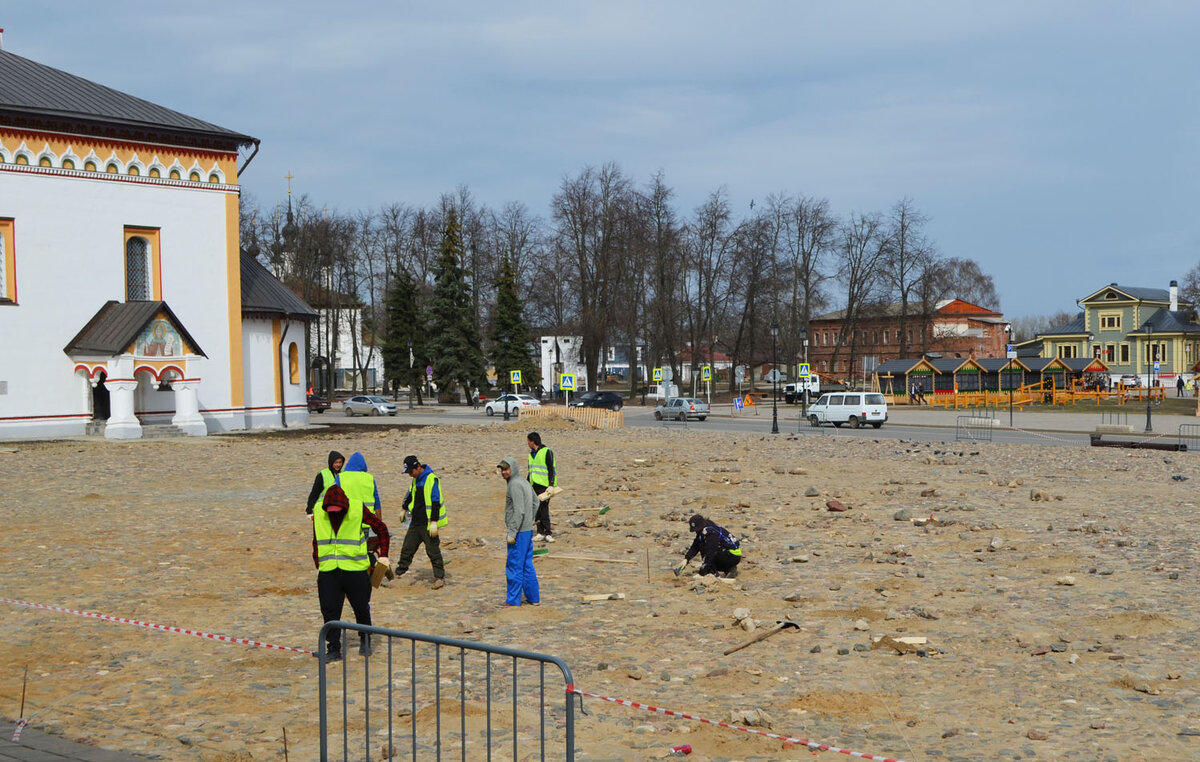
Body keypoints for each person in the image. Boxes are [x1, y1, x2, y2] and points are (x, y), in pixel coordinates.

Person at [313, 482, 389, 661]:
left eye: (338, 510)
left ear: (345, 505)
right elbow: (316, 538)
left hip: (355, 570)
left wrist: (384, 556)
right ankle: (333, 649)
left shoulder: (357, 508)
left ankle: (366, 639)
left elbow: (382, 529)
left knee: (361, 608)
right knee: (329, 611)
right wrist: (317, 560)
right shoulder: (318, 510)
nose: (334, 513)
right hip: (329, 571)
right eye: (330, 511)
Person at [393, 455, 447, 589]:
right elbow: (411, 494)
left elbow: (435, 501)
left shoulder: (431, 479)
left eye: (411, 472)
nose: (410, 475)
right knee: (407, 548)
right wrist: (404, 508)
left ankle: (439, 577)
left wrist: (434, 521)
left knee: (433, 551)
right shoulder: (415, 480)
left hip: (428, 524)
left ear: (418, 467)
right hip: (415, 522)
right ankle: (399, 573)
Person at [498, 456, 540, 607]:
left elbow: (519, 511)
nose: (503, 472)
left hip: (519, 532)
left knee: (514, 565)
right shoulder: (524, 482)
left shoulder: (514, 485)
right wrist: (530, 520)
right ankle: (534, 598)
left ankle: (513, 600)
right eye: (502, 469)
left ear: (513, 468)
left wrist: (512, 532)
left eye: (506, 469)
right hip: (527, 530)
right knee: (527, 565)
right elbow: (536, 502)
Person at [526, 432, 558, 542]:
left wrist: (551, 485)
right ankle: (540, 532)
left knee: (544, 509)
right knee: (536, 510)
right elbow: (531, 471)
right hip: (534, 485)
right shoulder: (531, 454)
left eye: (528, 441)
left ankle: (548, 533)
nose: (528, 444)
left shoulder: (546, 451)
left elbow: (551, 469)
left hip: (545, 486)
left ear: (532, 441)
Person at [306, 451, 344, 516]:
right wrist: (309, 510)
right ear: (331, 463)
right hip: (323, 510)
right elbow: (314, 494)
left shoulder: (344, 474)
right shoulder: (322, 475)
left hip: (340, 509)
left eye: (340, 462)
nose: (338, 465)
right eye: (336, 462)